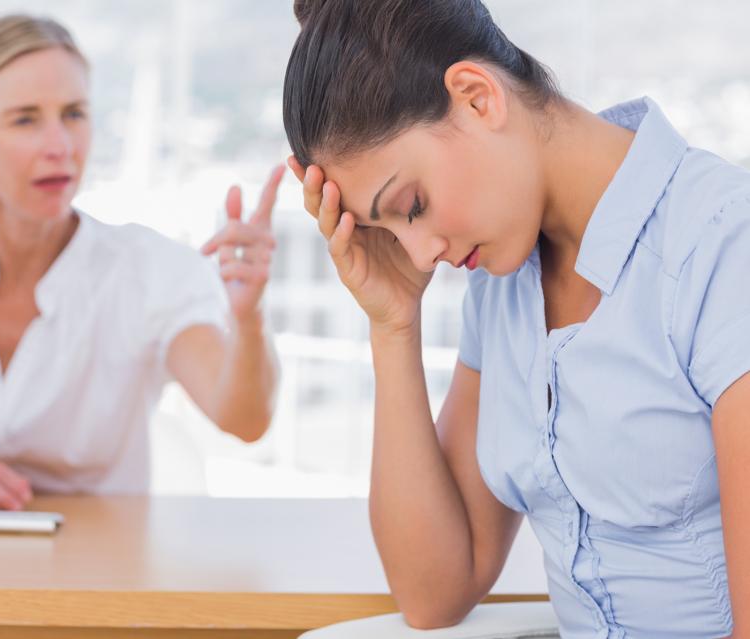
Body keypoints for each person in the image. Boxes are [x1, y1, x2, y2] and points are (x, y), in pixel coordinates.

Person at [283, 1, 750, 637]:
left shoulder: (723, 244)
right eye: (382, 228)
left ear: (477, 98)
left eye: (410, 206)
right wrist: (393, 324)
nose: (421, 255)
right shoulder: (501, 289)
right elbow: (433, 594)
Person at [0, 15, 282, 510]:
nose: (60, 146)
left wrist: (248, 319)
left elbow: (244, 420)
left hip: (102, 568)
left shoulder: (150, 271)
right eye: (25, 119)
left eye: (74, 114)